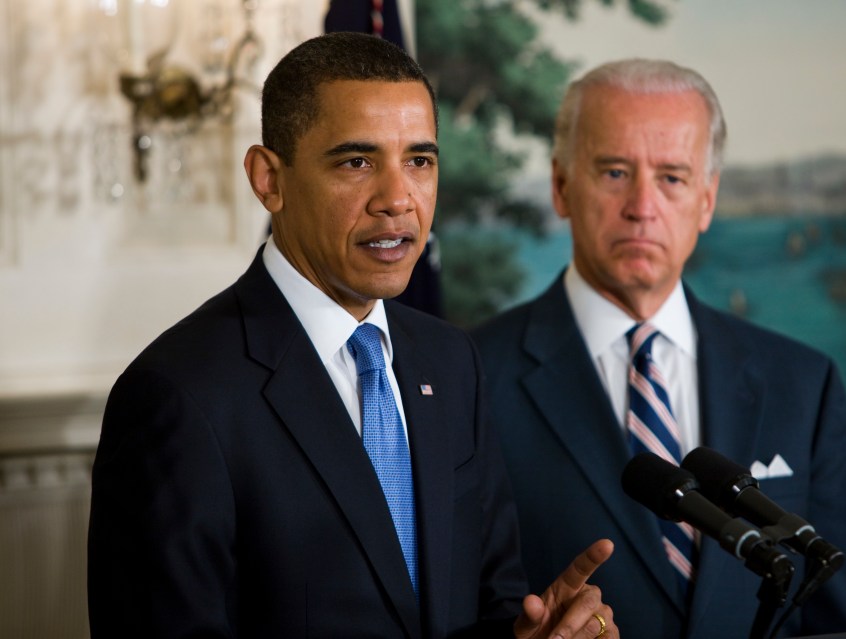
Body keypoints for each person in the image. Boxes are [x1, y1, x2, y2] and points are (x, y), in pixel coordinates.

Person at [87, 32, 618, 639]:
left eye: (419, 161)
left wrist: (533, 636)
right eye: (356, 162)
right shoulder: (178, 396)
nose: (397, 199)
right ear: (269, 179)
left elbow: (487, 603)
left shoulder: (450, 361)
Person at [471, 59, 846, 639]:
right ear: (561, 186)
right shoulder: (470, 375)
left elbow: (841, 619)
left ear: (707, 199)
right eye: (614, 172)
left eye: (672, 177)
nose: (642, 206)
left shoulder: (803, 384)